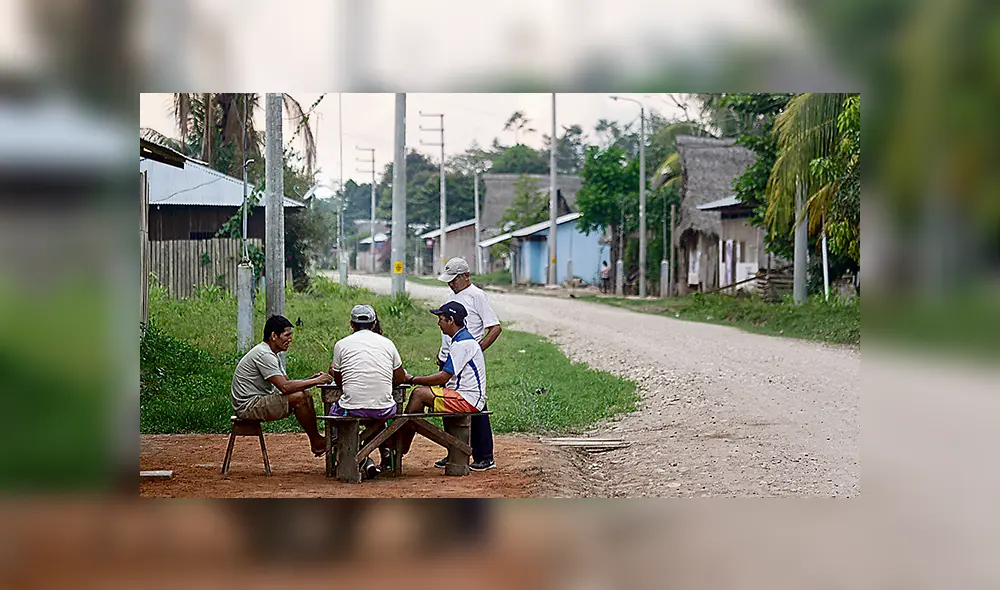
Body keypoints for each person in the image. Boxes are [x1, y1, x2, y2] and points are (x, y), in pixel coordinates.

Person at [433, 257, 501, 471]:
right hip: (449, 356)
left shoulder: (477, 296)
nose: (451, 284)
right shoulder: (449, 296)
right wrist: (442, 351)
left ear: (465, 276)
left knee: (476, 404)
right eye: (449, 280)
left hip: (466, 358)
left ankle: (484, 455)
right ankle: (455, 450)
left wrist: (476, 351)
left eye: (454, 280)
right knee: (448, 403)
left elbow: (495, 327)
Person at [232, 315, 332, 456]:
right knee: (300, 398)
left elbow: (287, 383)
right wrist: (316, 382)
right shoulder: (264, 355)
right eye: (287, 335)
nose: (290, 340)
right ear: (274, 335)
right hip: (248, 406)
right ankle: (317, 442)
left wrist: (312, 378)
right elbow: (285, 387)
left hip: (257, 400)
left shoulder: (272, 354)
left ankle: (317, 441)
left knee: (305, 394)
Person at [396, 302, 485, 458]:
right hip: (463, 395)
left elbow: (443, 376)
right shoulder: (462, 339)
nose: (439, 323)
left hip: (467, 399)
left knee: (418, 395)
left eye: (441, 319)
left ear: (451, 320)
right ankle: (401, 442)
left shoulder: (462, 344)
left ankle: (398, 448)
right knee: (414, 411)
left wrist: (412, 379)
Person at [329, 304, 408, 473]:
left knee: (334, 416)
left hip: (351, 409)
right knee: (377, 415)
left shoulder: (341, 345)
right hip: (384, 410)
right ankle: (374, 454)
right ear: (374, 324)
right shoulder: (388, 344)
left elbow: (338, 379)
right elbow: (401, 378)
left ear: (352, 324)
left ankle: (350, 456)